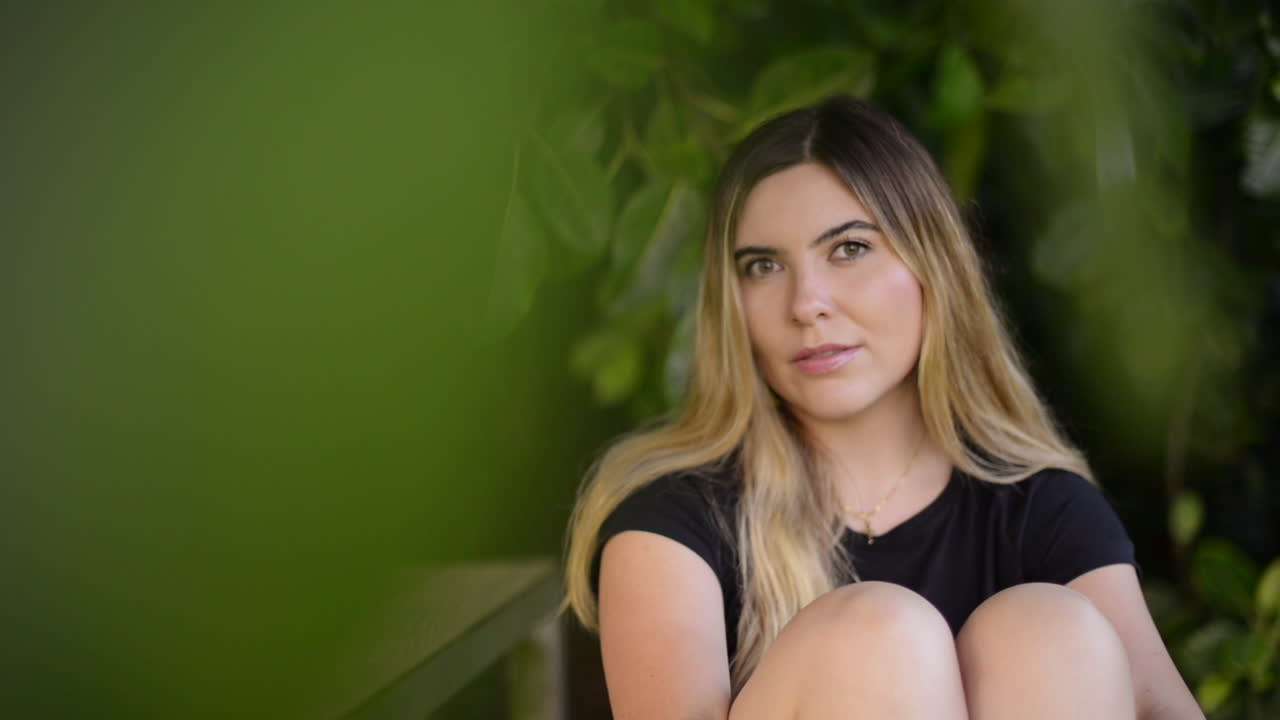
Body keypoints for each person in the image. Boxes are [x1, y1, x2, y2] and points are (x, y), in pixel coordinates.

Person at [562, 95, 1202, 719]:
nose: (806, 302)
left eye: (849, 249)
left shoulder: (1041, 509)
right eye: (763, 266)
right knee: (877, 635)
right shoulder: (675, 519)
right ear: (731, 302)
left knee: (1053, 630)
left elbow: (1160, 706)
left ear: (933, 267)